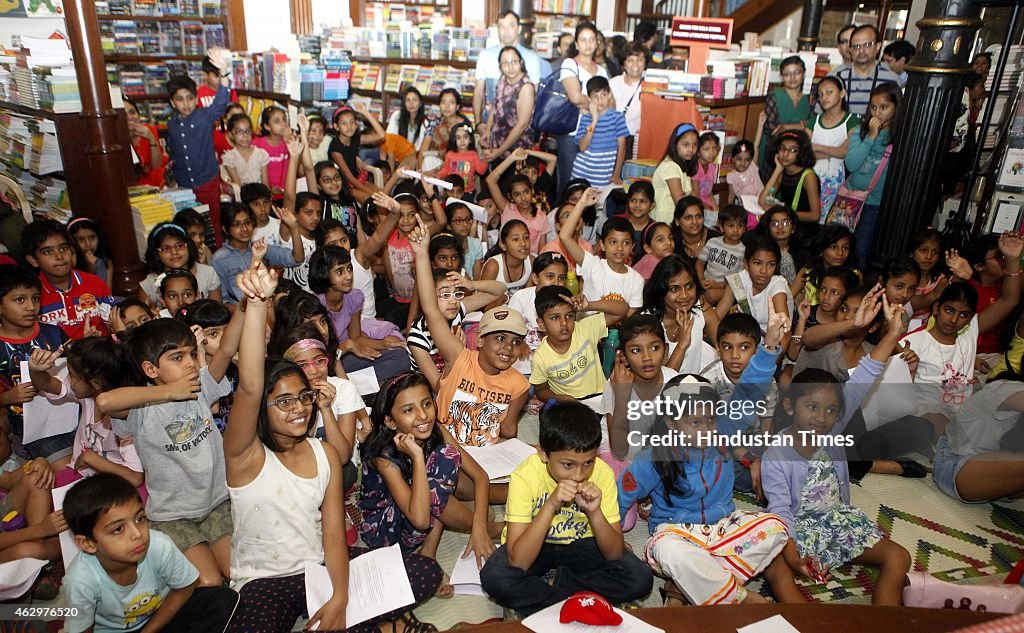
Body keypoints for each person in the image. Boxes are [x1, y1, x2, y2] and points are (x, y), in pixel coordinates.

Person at [620, 314, 810, 606]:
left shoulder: (721, 432)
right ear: (671, 422)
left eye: (710, 419)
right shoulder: (654, 455)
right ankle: (741, 597)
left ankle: (687, 584)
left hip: (723, 531)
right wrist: (614, 540)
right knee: (667, 550)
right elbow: (621, 494)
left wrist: (771, 345)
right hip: (677, 534)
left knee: (776, 528)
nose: (706, 429)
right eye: (695, 422)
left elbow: (748, 392)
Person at [762, 292, 913, 606]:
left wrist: (893, 334)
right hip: (796, 531)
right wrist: (793, 559)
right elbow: (780, 512)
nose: (822, 418)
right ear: (789, 406)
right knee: (774, 565)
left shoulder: (834, 430)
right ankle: (807, 622)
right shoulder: (777, 453)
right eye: (812, 407)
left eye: (831, 411)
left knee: (899, 556)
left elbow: (868, 372)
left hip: (838, 522)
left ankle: (888, 622)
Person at [98, 310, 245, 587]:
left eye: (191, 354)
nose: (191, 363)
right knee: (209, 582)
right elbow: (104, 403)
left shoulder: (200, 387)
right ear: (150, 370)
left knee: (238, 572)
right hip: (172, 517)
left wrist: (247, 303)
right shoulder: (140, 408)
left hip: (217, 505)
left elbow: (226, 349)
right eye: (178, 357)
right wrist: (168, 392)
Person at [480, 400, 654, 616]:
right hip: (536, 544)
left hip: (583, 544)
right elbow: (519, 559)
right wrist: (551, 505)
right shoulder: (525, 475)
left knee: (639, 578)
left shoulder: (603, 474)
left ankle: (553, 594)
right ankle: (578, 602)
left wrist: (595, 512)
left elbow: (614, 552)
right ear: (544, 453)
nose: (579, 475)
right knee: (495, 577)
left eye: (588, 462)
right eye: (568, 465)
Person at [62, 474, 238, 633]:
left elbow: (184, 588)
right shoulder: (80, 580)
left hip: (162, 616)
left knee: (222, 600)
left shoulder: (159, 545)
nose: (138, 534)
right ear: (87, 543)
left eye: (139, 519)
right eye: (118, 529)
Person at [411, 218, 530, 447]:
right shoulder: (459, 357)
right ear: (481, 340)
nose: (508, 347)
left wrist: (472, 284)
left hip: (487, 456)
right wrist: (421, 253)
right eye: (500, 338)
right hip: (447, 450)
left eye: (516, 342)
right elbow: (430, 309)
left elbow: (508, 431)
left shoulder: (520, 385)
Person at [0, 265, 72, 464]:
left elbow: (77, 373)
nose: (31, 306)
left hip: (74, 415)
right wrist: (8, 397)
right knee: (66, 470)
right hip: (33, 431)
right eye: (20, 300)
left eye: (36, 298)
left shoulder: (53, 333)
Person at [164, 48, 231, 246]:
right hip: (183, 184)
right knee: (187, 226)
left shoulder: (204, 116)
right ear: (172, 102)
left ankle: (216, 256)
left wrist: (224, 72)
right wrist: (171, 173)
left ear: (196, 98)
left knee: (212, 222)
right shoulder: (172, 125)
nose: (186, 103)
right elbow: (174, 153)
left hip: (207, 181)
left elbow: (220, 103)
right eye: (179, 99)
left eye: (189, 98)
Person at [530, 285, 628, 409]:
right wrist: (563, 399)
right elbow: (541, 390)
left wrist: (589, 305)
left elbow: (623, 309)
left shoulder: (585, 328)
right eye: (555, 318)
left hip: (601, 397)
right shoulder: (541, 357)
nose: (564, 323)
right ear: (541, 324)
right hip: (571, 407)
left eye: (569, 315)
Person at [22, 220, 116, 340]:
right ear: (33, 260)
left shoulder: (95, 283)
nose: (59, 257)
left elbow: (113, 328)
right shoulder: (32, 296)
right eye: (48, 252)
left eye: (63, 248)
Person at [560, 188, 645, 318]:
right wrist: (582, 203)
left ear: (632, 247)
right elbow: (565, 237)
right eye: (613, 242)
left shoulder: (636, 280)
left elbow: (628, 316)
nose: (620, 248)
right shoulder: (592, 265)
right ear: (602, 245)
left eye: (626, 243)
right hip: (585, 331)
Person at [846, 83, 899, 266]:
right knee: (841, 245)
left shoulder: (899, 136)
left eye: (884, 107)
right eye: (874, 107)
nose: (877, 113)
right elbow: (851, 164)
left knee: (861, 249)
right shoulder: (860, 132)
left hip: (874, 204)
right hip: (851, 198)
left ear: (896, 107)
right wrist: (871, 137)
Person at [211, 203, 303, 305]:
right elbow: (223, 301)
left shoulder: (260, 248)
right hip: (240, 313)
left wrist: (294, 227)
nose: (244, 229)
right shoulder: (218, 259)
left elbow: (297, 259)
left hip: (267, 306)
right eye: (237, 224)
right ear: (225, 229)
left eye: (247, 222)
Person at [472, 10, 543, 140]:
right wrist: (478, 123)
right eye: (502, 26)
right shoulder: (485, 56)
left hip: (520, 127)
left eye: (511, 26)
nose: (506, 31)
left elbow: (535, 96)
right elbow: (478, 92)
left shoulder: (531, 58)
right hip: (490, 124)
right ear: (497, 29)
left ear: (519, 28)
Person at [556, 22, 609, 191]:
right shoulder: (570, 64)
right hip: (572, 133)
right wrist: (598, 105)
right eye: (583, 40)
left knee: (592, 186)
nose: (588, 44)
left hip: (597, 135)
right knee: (569, 186)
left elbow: (611, 102)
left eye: (592, 39)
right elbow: (575, 97)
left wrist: (591, 106)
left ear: (597, 43)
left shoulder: (601, 70)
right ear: (577, 44)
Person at [137, 222, 223, 311]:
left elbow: (218, 313)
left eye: (179, 246)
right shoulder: (149, 285)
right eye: (166, 248)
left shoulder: (207, 274)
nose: (174, 252)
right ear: (156, 253)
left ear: (188, 247)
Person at [809, 76, 859, 218]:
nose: (824, 97)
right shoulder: (814, 121)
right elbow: (804, 152)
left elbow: (845, 151)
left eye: (829, 92)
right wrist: (832, 152)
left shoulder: (852, 121)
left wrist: (817, 147)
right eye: (821, 94)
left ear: (842, 93)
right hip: (811, 176)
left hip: (835, 179)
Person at [757, 56, 813, 180]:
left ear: (803, 74)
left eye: (796, 72)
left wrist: (786, 127)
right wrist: (801, 126)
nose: (792, 78)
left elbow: (812, 126)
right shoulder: (774, 96)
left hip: (798, 155)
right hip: (774, 153)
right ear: (782, 77)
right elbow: (772, 129)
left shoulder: (809, 99)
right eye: (787, 74)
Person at [828, 25, 900, 117]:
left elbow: (898, 116)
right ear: (850, 50)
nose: (861, 51)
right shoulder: (836, 78)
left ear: (877, 46)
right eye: (856, 46)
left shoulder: (892, 79)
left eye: (867, 45)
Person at [571, 76, 630, 187]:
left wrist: (616, 174)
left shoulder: (617, 118)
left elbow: (622, 147)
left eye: (603, 95)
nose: (600, 100)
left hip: (603, 177)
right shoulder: (586, 119)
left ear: (609, 95)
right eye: (595, 96)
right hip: (580, 173)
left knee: (599, 203)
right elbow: (582, 147)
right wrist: (594, 121)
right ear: (589, 99)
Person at [759, 130, 821, 233]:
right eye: (782, 148)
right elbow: (762, 201)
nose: (785, 154)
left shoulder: (808, 176)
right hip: (785, 226)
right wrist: (778, 170)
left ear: (801, 153)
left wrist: (784, 213)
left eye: (793, 150)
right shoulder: (782, 170)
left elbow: (815, 216)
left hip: (803, 230)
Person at [484, 46, 536, 163]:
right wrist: (488, 131)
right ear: (500, 66)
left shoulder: (526, 87)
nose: (510, 67)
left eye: (514, 62)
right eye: (505, 63)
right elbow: (495, 107)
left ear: (521, 62)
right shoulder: (502, 79)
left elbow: (522, 125)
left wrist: (499, 151)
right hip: (497, 144)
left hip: (516, 150)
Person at [697, 205, 746, 305]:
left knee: (710, 295)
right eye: (731, 226)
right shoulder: (712, 242)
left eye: (740, 226)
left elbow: (737, 281)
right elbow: (699, 264)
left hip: (725, 288)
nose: (736, 230)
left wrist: (718, 285)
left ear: (745, 228)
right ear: (721, 227)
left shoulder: (743, 251)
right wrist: (701, 280)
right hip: (705, 284)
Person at [652, 124, 699, 224]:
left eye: (694, 145)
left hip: (677, 219)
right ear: (675, 144)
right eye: (686, 145)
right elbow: (680, 202)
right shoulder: (670, 166)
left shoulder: (682, 165)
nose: (691, 149)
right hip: (665, 222)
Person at [609, 42, 646, 157]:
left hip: (637, 142)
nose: (635, 65)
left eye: (639, 60)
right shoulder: (613, 83)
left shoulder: (651, 85)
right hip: (612, 140)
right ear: (623, 63)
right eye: (630, 60)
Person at [123, 96, 168, 189]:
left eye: (132, 112)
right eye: (124, 114)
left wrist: (151, 138)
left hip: (155, 184)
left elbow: (157, 166)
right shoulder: (116, 138)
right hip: (133, 187)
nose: (130, 117)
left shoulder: (149, 129)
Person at [221, 113, 270, 188]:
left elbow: (266, 185)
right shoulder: (230, 157)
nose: (245, 135)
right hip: (241, 196)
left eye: (248, 131)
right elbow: (237, 186)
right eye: (240, 131)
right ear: (231, 134)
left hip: (261, 195)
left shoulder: (261, 154)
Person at [67, 217, 113, 288]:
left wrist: (97, 267)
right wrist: (90, 270)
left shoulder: (105, 261)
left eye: (92, 237)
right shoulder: (69, 263)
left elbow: (107, 293)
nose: (88, 244)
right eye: (81, 239)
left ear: (98, 239)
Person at [388, 86, 431, 153]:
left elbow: (418, 148)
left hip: (413, 157)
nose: (411, 103)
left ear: (420, 103)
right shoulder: (397, 115)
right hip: (396, 154)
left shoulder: (425, 123)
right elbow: (390, 138)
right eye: (408, 100)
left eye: (415, 100)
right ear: (404, 103)